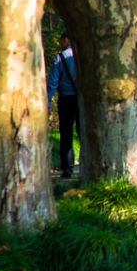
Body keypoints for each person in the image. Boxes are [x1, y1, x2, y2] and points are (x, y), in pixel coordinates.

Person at [47, 42, 80, 177]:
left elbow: (53, 82)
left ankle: (67, 169)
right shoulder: (82, 55)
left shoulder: (60, 58)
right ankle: (87, 166)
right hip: (81, 99)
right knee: (83, 132)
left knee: (66, 134)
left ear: (66, 40)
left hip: (65, 99)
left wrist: (48, 101)